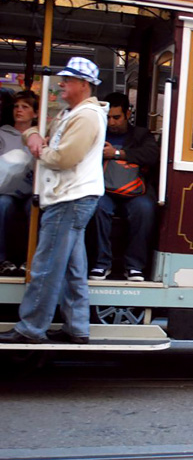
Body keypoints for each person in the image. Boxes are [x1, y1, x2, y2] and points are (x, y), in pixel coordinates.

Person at [0, 57, 107, 344]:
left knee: (46, 267)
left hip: (67, 198)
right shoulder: (76, 113)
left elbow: (62, 158)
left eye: (68, 80)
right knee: (73, 268)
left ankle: (31, 328)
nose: (61, 84)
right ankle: (77, 326)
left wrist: (38, 149)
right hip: (72, 197)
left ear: (83, 85)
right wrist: (35, 135)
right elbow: (46, 140)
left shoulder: (84, 116)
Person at [89, 92, 159, 282]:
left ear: (128, 114)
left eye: (116, 117)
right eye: (108, 117)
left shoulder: (141, 134)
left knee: (145, 209)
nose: (111, 122)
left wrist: (117, 153)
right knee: (97, 207)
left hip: (135, 189)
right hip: (103, 188)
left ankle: (134, 265)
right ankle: (101, 263)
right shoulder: (97, 133)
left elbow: (151, 155)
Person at [0, 91, 38, 276]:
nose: (19, 110)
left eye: (25, 107)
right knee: (3, 205)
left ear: (35, 113)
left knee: (34, 207)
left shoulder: (40, 136)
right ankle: (2, 260)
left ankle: (29, 260)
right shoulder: (2, 134)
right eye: (16, 106)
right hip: (7, 189)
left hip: (32, 189)